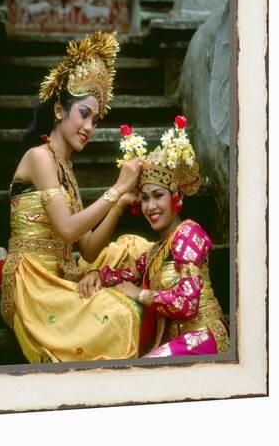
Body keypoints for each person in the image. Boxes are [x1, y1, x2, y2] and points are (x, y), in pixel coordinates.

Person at [0, 31, 152, 363]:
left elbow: (88, 247)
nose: (90, 127)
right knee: (120, 314)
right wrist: (117, 188)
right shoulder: (39, 157)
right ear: (59, 109)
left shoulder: (65, 168)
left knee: (133, 248)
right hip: (35, 281)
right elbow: (68, 230)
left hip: (64, 270)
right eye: (84, 114)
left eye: (95, 120)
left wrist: (122, 201)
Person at [90, 117, 230, 357]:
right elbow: (127, 273)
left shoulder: (188, 234)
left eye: (157, 195)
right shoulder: (157, 251)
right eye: (144, 198)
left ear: (177, 197)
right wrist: (97, 275)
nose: (150, 206)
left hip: (204, 338)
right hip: (179, 342)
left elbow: (187, 303)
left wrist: (139, 294)